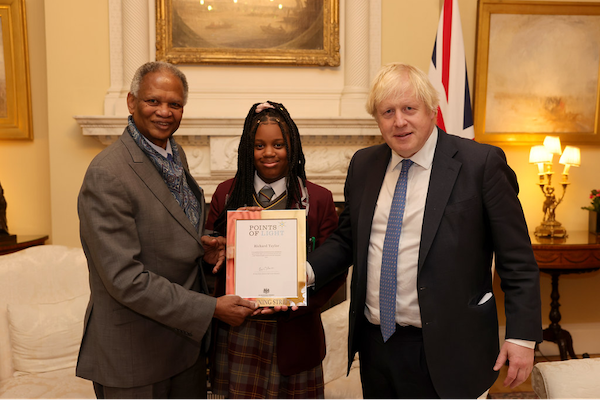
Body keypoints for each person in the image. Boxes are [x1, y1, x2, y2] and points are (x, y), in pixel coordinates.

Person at [306, 63, 542, 399]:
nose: (399, 121)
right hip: (377, 345)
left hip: (450, 346)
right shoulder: (363, 165)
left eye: (409, 109)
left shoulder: (481, 165)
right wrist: (302, 272)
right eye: (387, 111)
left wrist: (521, 337)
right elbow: (347, 240)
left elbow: (517, 260)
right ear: (377, 119)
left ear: (432, 111)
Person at [77, 61, 258, 400]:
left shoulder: (175, 156)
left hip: (183, 350)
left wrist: (201, 244)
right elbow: (125, 280)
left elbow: (167, 226)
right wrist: (211, 308)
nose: (164, 112)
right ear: (131, 103)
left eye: (174, 104)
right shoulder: (107, 174)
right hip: (134, 358)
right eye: (153, 101)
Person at [205, 101, 345, 400]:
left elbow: (335, 269)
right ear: (247, 150)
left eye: (278, 144)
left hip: (295, 336)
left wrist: (296, 303)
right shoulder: (225, 194)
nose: (269, 153)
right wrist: (214, 255)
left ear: (291, 146)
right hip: (238, 334)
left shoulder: (318, 199)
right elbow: (209, 264)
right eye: (259, 145)